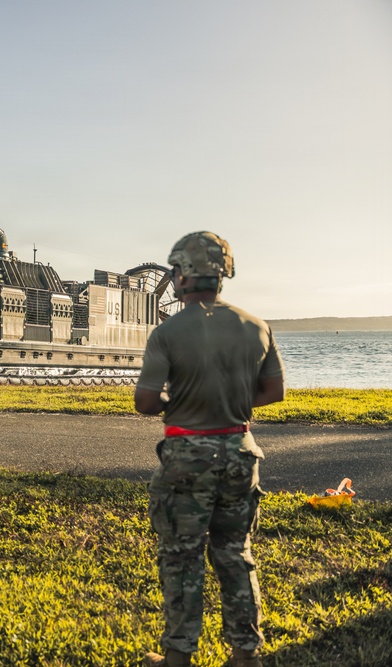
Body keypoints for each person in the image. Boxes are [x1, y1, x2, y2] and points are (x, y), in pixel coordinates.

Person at [135, 232, 285, 667]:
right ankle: (245, 654)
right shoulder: (256, 325)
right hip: (241, 450)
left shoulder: (168, 332)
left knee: (182, 557)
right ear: (223, 274)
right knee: (236, 552)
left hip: (187, 455)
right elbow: (274, 391)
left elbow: (145, 402)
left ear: (182, 274)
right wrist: (231, 401)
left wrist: (183, 403)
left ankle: (179, 658)